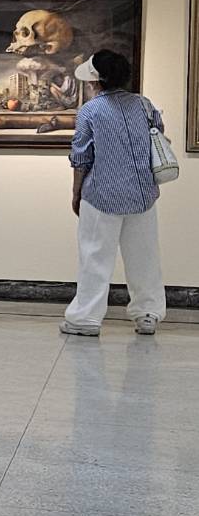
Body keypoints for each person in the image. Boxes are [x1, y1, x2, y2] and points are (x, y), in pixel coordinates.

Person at [62, 50, 165, 337]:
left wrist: (75, 193)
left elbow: (81, 157)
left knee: (94, 258)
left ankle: (86, 319)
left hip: (100, 194)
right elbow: (159, 136)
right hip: (143, 194)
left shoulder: (90, 111)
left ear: (96, 80)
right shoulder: (144, 105)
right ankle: (147, 314)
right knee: (145, 258)